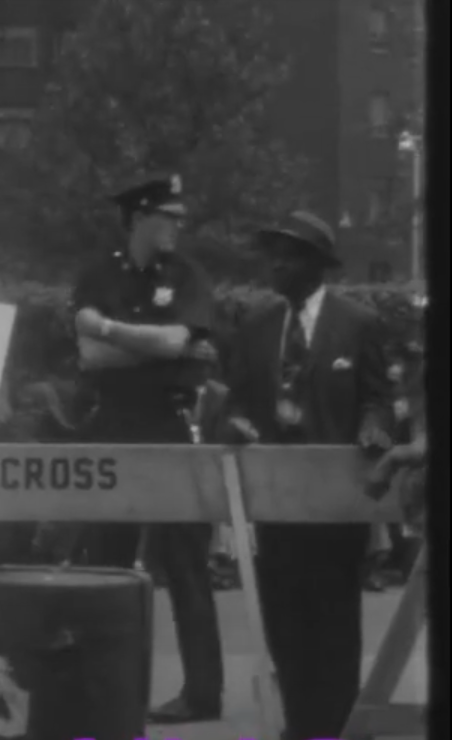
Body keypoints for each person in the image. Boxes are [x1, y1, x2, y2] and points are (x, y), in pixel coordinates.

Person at [221, 210, 394, 740]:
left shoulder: (358, 323)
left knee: (335, 624)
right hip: (275, 503)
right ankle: (299, 726)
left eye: (289, 255)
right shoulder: (255, 325)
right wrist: (234, 424)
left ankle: (335, 728)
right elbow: (234, 402)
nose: (276, 264)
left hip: (335, 505)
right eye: (272, 253)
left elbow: (378, 400)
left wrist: (373, 426)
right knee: (284, 620)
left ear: (317, 265)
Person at [69, 174, 224, 724]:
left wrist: (111, 328)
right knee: (105, 563)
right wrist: (157, 347)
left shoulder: (187, 275)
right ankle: (103, 687)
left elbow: (183, 342)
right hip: (112, 425)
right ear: (138, 217)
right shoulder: (97, 272)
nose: (178, 225)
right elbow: (90, 358)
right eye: (168, 215)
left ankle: (203, 693)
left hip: (168, 424)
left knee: (186, 565)